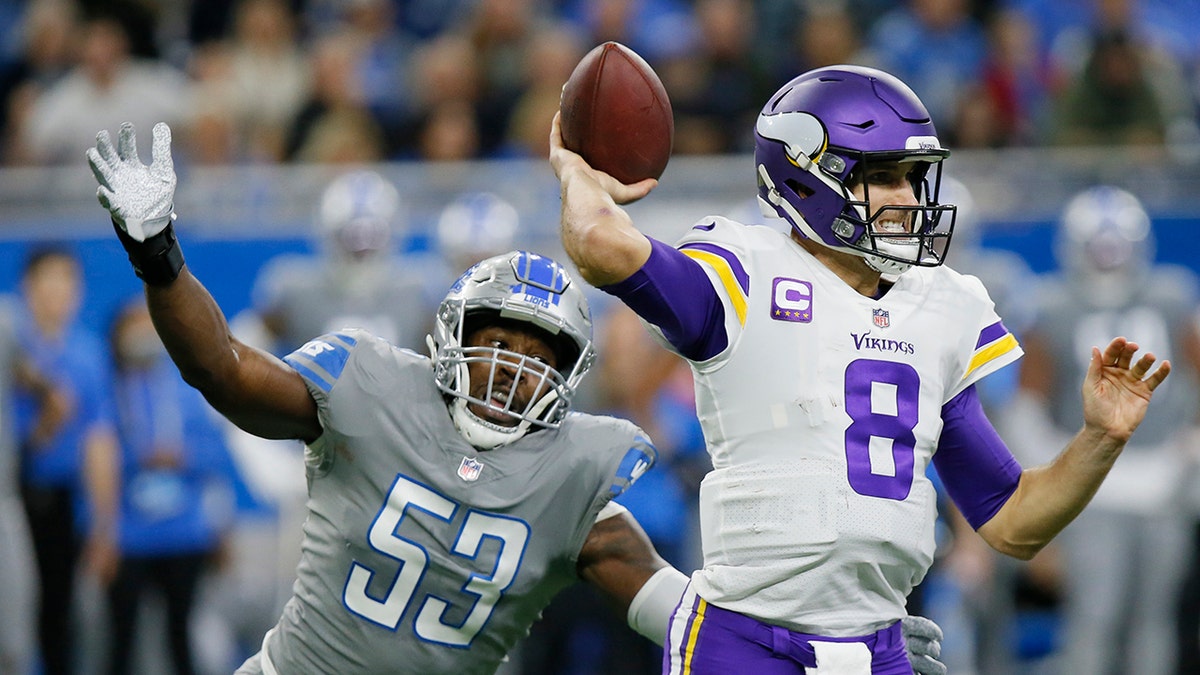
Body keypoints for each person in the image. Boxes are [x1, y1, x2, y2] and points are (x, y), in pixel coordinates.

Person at [86, 121, 946, 675]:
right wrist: (158, 253)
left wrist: (838, 645)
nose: (514, 366)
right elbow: (223, 370)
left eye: (541, 352)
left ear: (572, 373)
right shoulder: (371, 387)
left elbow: (684, 617)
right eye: (498, 340)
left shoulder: (575, 476)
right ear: (452, 336)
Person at [549, 63, 1172, 673]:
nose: (908, 199)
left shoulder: (940, 305)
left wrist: (1099, 438)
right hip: (742, 643)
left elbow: (1013, 522)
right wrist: (576, 175)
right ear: (806, 176)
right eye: (885, 177)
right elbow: (602, 248)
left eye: (912, 178)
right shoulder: (745, 270)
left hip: (880, 648)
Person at [1010, 186, 1200, 675]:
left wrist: (1188, 451)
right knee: (1096, 619)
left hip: (1160, 482)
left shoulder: (1171, 296)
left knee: (1150, 624)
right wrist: (1059, 475)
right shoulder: (1053, 306)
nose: (1108, 257)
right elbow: (1027, 407)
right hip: (1095, 488)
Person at [105, 297, 242, 675]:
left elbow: (216, 458)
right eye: (133, 326)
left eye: (148, 325)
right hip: (129, 536)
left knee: (181, 636)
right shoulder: (110, 389)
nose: (142, 336)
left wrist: (184, 459)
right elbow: (96, 460)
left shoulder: (188, 387)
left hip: (184, 534)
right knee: (122, 639)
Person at [15, 245, 120, 675]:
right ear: (29, 286)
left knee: (60, 615)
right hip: (14, 499)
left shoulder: (88, 355)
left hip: (61, 503)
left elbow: (99, 441)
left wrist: (104, 524)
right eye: (50, 279)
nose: (59, 290)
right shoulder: (11, 346)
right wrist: (44, 422)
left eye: (68, 280)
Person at [248, 168, 430, 355]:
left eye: (373, 238)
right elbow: (246, 347)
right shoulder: (296, 290)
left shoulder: (420, 291)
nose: (362, 250)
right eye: (350, 238)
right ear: (329, 235)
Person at [0, 294, 38, 675]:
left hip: (3, 502)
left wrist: (33, 442)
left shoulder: (6, 321)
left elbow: (49, 391)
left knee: (13, 641)